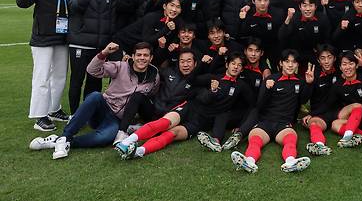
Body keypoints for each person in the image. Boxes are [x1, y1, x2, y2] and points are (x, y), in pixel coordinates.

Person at [29, 42, 159, 159]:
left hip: (118, 119)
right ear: (133, 56)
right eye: (139, 55)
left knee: (106, 138)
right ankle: (66, 135)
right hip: (103, 107)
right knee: (95, 96)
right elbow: (92, 70)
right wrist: (104, 53)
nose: (142, 58)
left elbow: (147, 99)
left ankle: (60, 141)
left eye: (146, 55)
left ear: (151, 58)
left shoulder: (154, 76)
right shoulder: (121, 66)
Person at [115, 53, 251, 159]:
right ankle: (126, 142)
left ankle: (139, 151)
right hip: (190, 108)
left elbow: (252, 105)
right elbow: (191, 80)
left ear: (242, 69)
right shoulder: (213, 77)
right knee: (164, 123)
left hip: (200, 122)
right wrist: (203, 67)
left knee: (172, 134)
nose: (235, 67)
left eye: (239, 65)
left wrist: (241, 125)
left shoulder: (241, 86)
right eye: (233, 63)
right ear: (227, 64)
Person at [230, 49, 313, 174]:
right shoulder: (271, 79)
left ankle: (291, 162)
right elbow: (259, 104)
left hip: (284, 124)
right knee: (255, 140)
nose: (290, 65)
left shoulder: (300, 81)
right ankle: (249, 161)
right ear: (280, 63)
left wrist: (309, 84)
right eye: (287, 61)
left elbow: (303, 100)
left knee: (291, 139)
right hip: (265, 122)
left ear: (297, 65)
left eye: (293, 62)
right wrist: (267, 89)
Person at [17, 0, 73, 131]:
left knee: (60, 77)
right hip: (43, 39)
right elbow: (22, 3)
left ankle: (53, 109)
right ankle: (39, 116)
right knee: (42, 77)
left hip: (62, 38)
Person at [115, 47, 200, 143]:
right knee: (137, 95)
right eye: (182, 61)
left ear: (195, 63)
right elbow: (149, 68)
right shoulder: (169, 72)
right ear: (178, 63)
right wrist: (130, 63)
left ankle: (141, 128)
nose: (185, 65)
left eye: (189, 61)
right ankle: (121, 132)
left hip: (171, 118)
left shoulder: (198, 81)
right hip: (153, 112)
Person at [67, 0, 114, 114]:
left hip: (99, 46)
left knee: (95, 81)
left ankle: (89, 113)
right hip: (80, 43)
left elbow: (110, 17)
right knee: (77, 80)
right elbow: (74, 7)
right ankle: (74, 114)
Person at [302, 44, 339, 156]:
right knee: (313, 124)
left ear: (335, 58)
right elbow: (303, 99)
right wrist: (309, 84)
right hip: (321, 113)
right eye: (323, 58)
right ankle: (320, 145)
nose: (326, 61)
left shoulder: (341, 71)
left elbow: (360, 75)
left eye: (329, 57)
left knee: (355, 108)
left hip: (338, 112)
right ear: (318, 60)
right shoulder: (314, 74)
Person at [278, 0, 331, 66]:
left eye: (310, 5)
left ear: (315, 6)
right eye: (304, 5)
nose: (308, 9)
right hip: (298, 56)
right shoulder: (294, 18)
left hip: (316, 55)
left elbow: (327, 39)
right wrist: (288, 19)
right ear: (300, 7)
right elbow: (282, 37)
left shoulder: (322, 18)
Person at [237, 0, 282, 67]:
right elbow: (241, 34)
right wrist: (242, 20)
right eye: (259, 0)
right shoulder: (247, 14)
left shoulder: (277, 14)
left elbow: (280, 36)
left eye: (265, 0)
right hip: (255, 50)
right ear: (253, 1)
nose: (262, 3)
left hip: (273, 48)